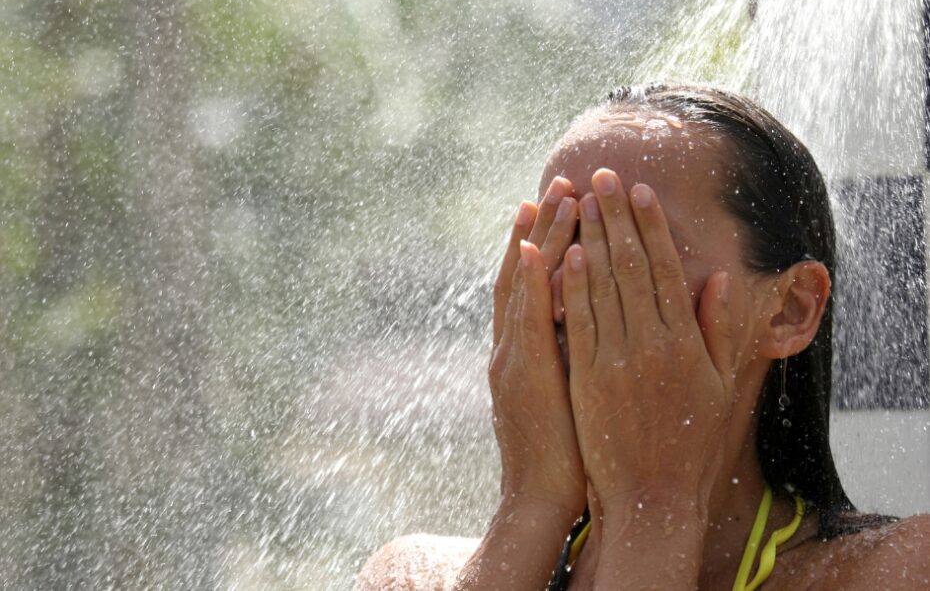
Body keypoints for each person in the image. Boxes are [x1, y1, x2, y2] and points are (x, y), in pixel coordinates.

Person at [354, 84, 930, 590]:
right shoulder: (412, 576)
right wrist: (529, 503)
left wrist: (654, 506)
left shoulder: (899, 571)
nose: (572, 292)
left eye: (630, 246)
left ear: (790, 309)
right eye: (558, 237)